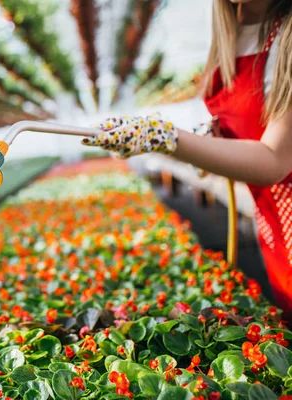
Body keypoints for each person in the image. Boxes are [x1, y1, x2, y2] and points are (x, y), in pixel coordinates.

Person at [82, 0, 292, 317]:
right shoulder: (230, 30)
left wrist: (167, 137)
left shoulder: (286, 36)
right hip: (271, 218)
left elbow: (273, 160)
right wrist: (212, 137)